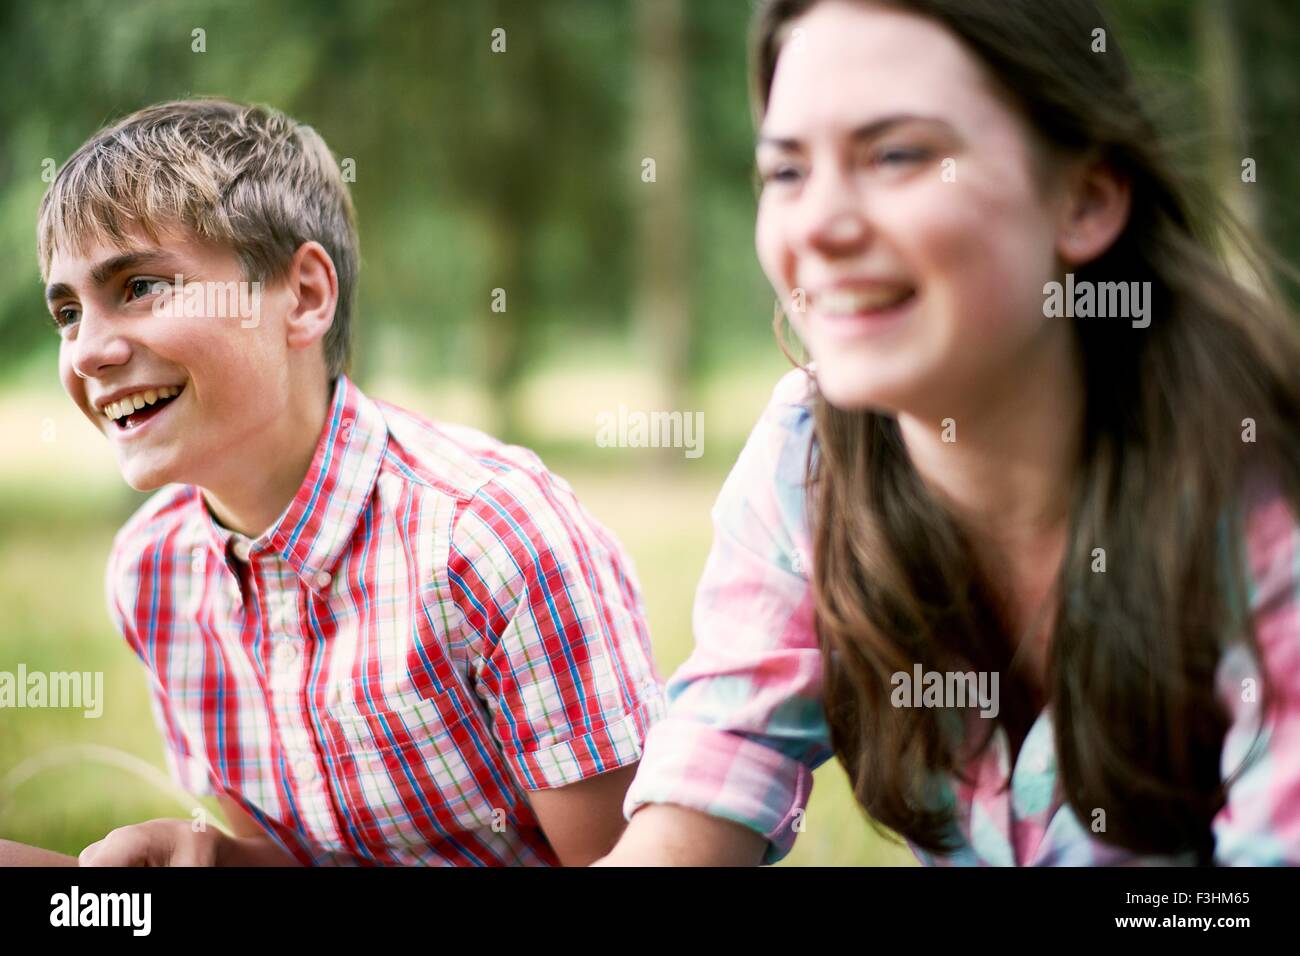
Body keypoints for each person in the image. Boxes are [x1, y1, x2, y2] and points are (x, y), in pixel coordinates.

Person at [599, 0, 1300, 865]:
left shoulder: (1263, 482)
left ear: (1084, 199)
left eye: (895, 155)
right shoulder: (806, 460)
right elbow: (712, 778)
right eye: (786, 173)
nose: (817, 224)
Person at [37, 99, 664, 866]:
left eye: (138, 287)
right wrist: (227, 860)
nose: (88, 351)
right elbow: (307, 858)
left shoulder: (493, 537)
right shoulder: (153, 573)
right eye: (68, 311)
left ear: (302, 296)